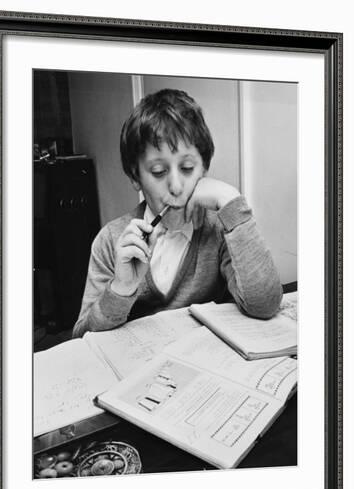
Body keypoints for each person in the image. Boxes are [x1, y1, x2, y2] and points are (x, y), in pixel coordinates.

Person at [73, 88, 282, 338]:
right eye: (159, 171)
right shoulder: (111, 241)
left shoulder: (219, 229)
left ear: (204, 168)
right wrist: (121, 288)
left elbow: (265, 305)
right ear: (135, 177)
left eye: (187, 167)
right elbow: (81, 338)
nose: (176, 186)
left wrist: (231, 199)